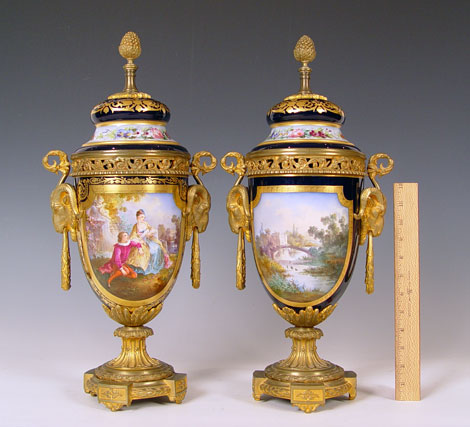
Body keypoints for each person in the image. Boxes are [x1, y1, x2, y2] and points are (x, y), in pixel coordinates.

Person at [127, 209, 171, 275]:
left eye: (143, 217)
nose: (143, 219)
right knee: (143, 251)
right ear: (137, 217)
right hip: (140, 241)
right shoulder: (135, 226)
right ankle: (143, 268)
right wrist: (139, 240)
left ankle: (155, 266)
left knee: (157, 247)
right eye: (141, 217)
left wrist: (149, 232)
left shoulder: (145, 223)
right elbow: (132, 236)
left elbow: (152, 229)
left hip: (148, 239)